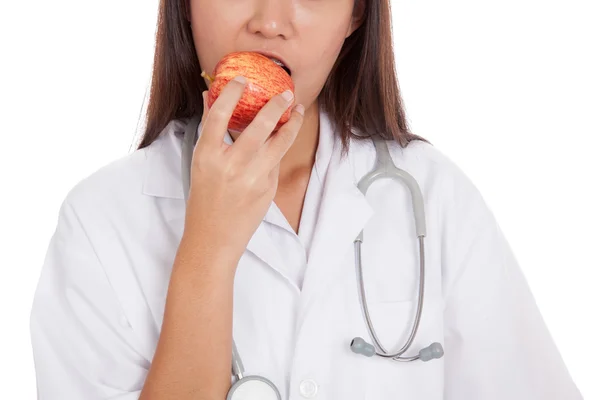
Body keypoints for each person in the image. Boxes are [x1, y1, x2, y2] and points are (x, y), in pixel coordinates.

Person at [29, 0, 583, 399]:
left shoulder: (436, 200)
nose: (269, 22)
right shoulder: (99, 222)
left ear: (357, 15)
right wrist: (208, 252)